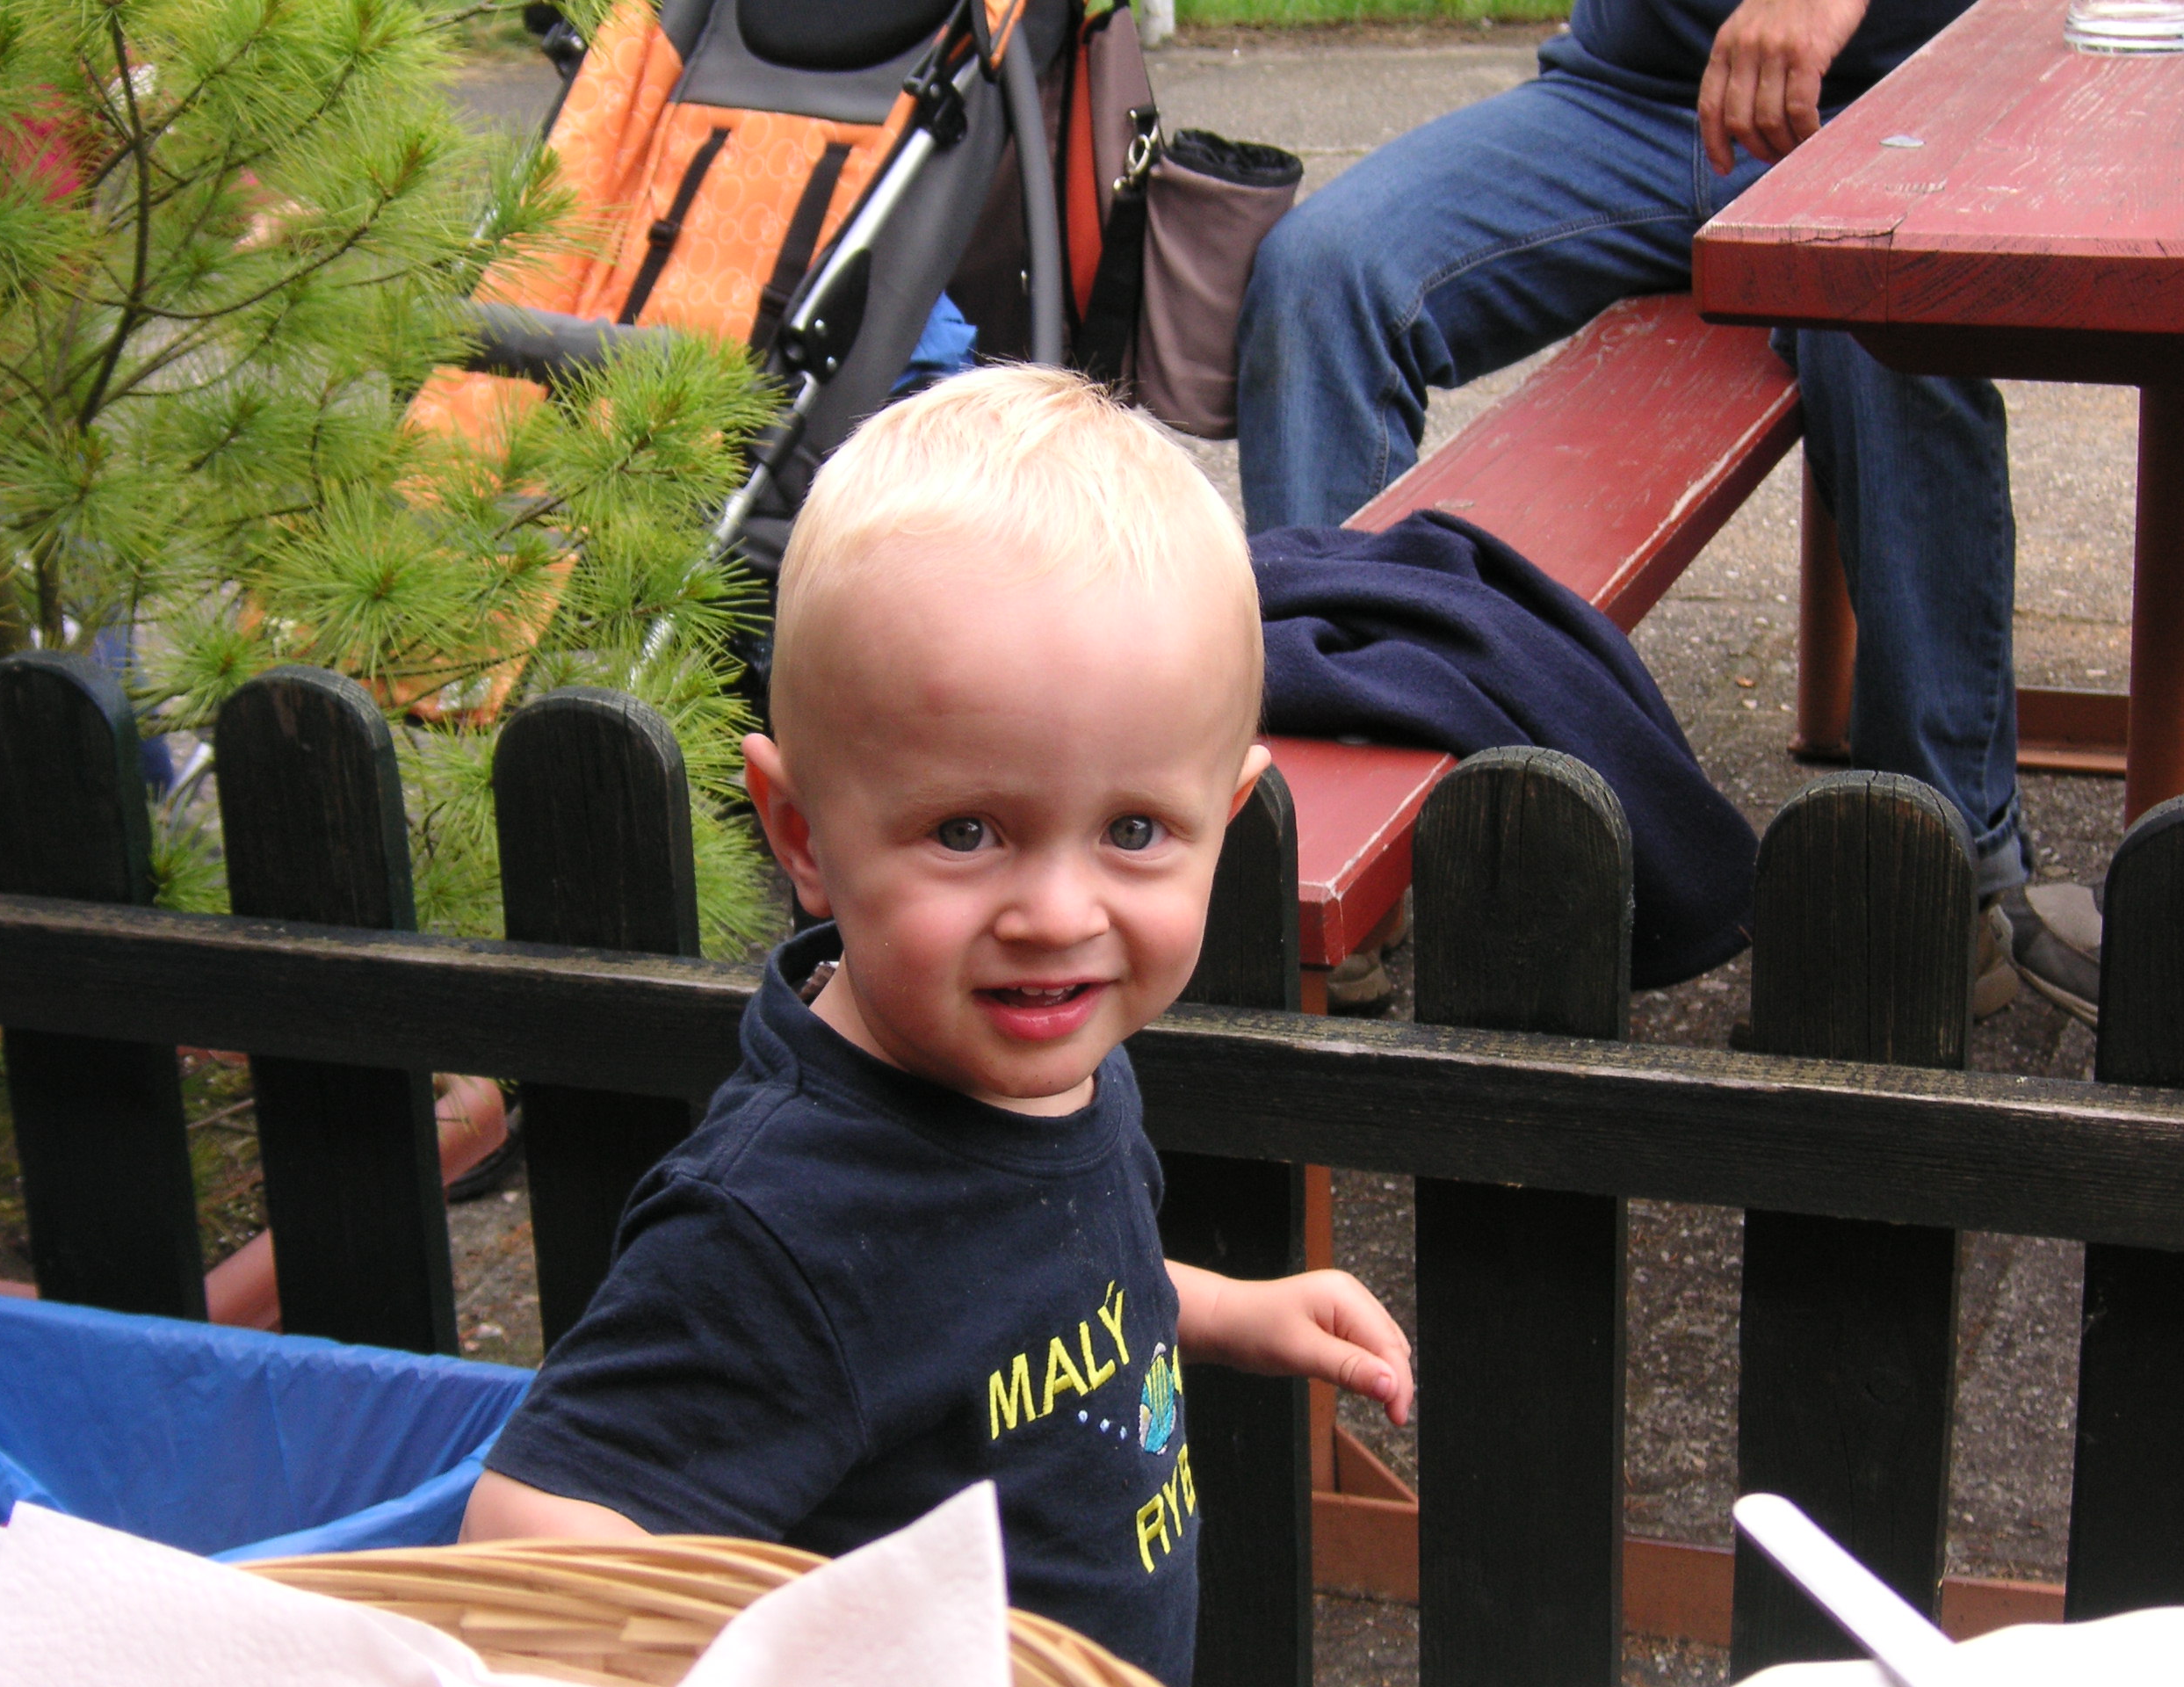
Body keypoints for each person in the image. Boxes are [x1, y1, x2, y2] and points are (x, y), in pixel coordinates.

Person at [457, 366, 1414, 1687]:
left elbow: (1018, 1298)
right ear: (802, 835)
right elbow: (527, 1542)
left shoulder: (1045, 1058)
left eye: (1135, 830)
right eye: (966, 832)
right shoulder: (782, 1226)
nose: (1057, 914)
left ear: (1227, 816)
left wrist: (1225, 1311)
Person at [1235, 0, 2096, 1020]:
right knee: (1321, 273)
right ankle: (1331, 817)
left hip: (1882, 113)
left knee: (1883, 325)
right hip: (1630, 100)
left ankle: (1943, 868)